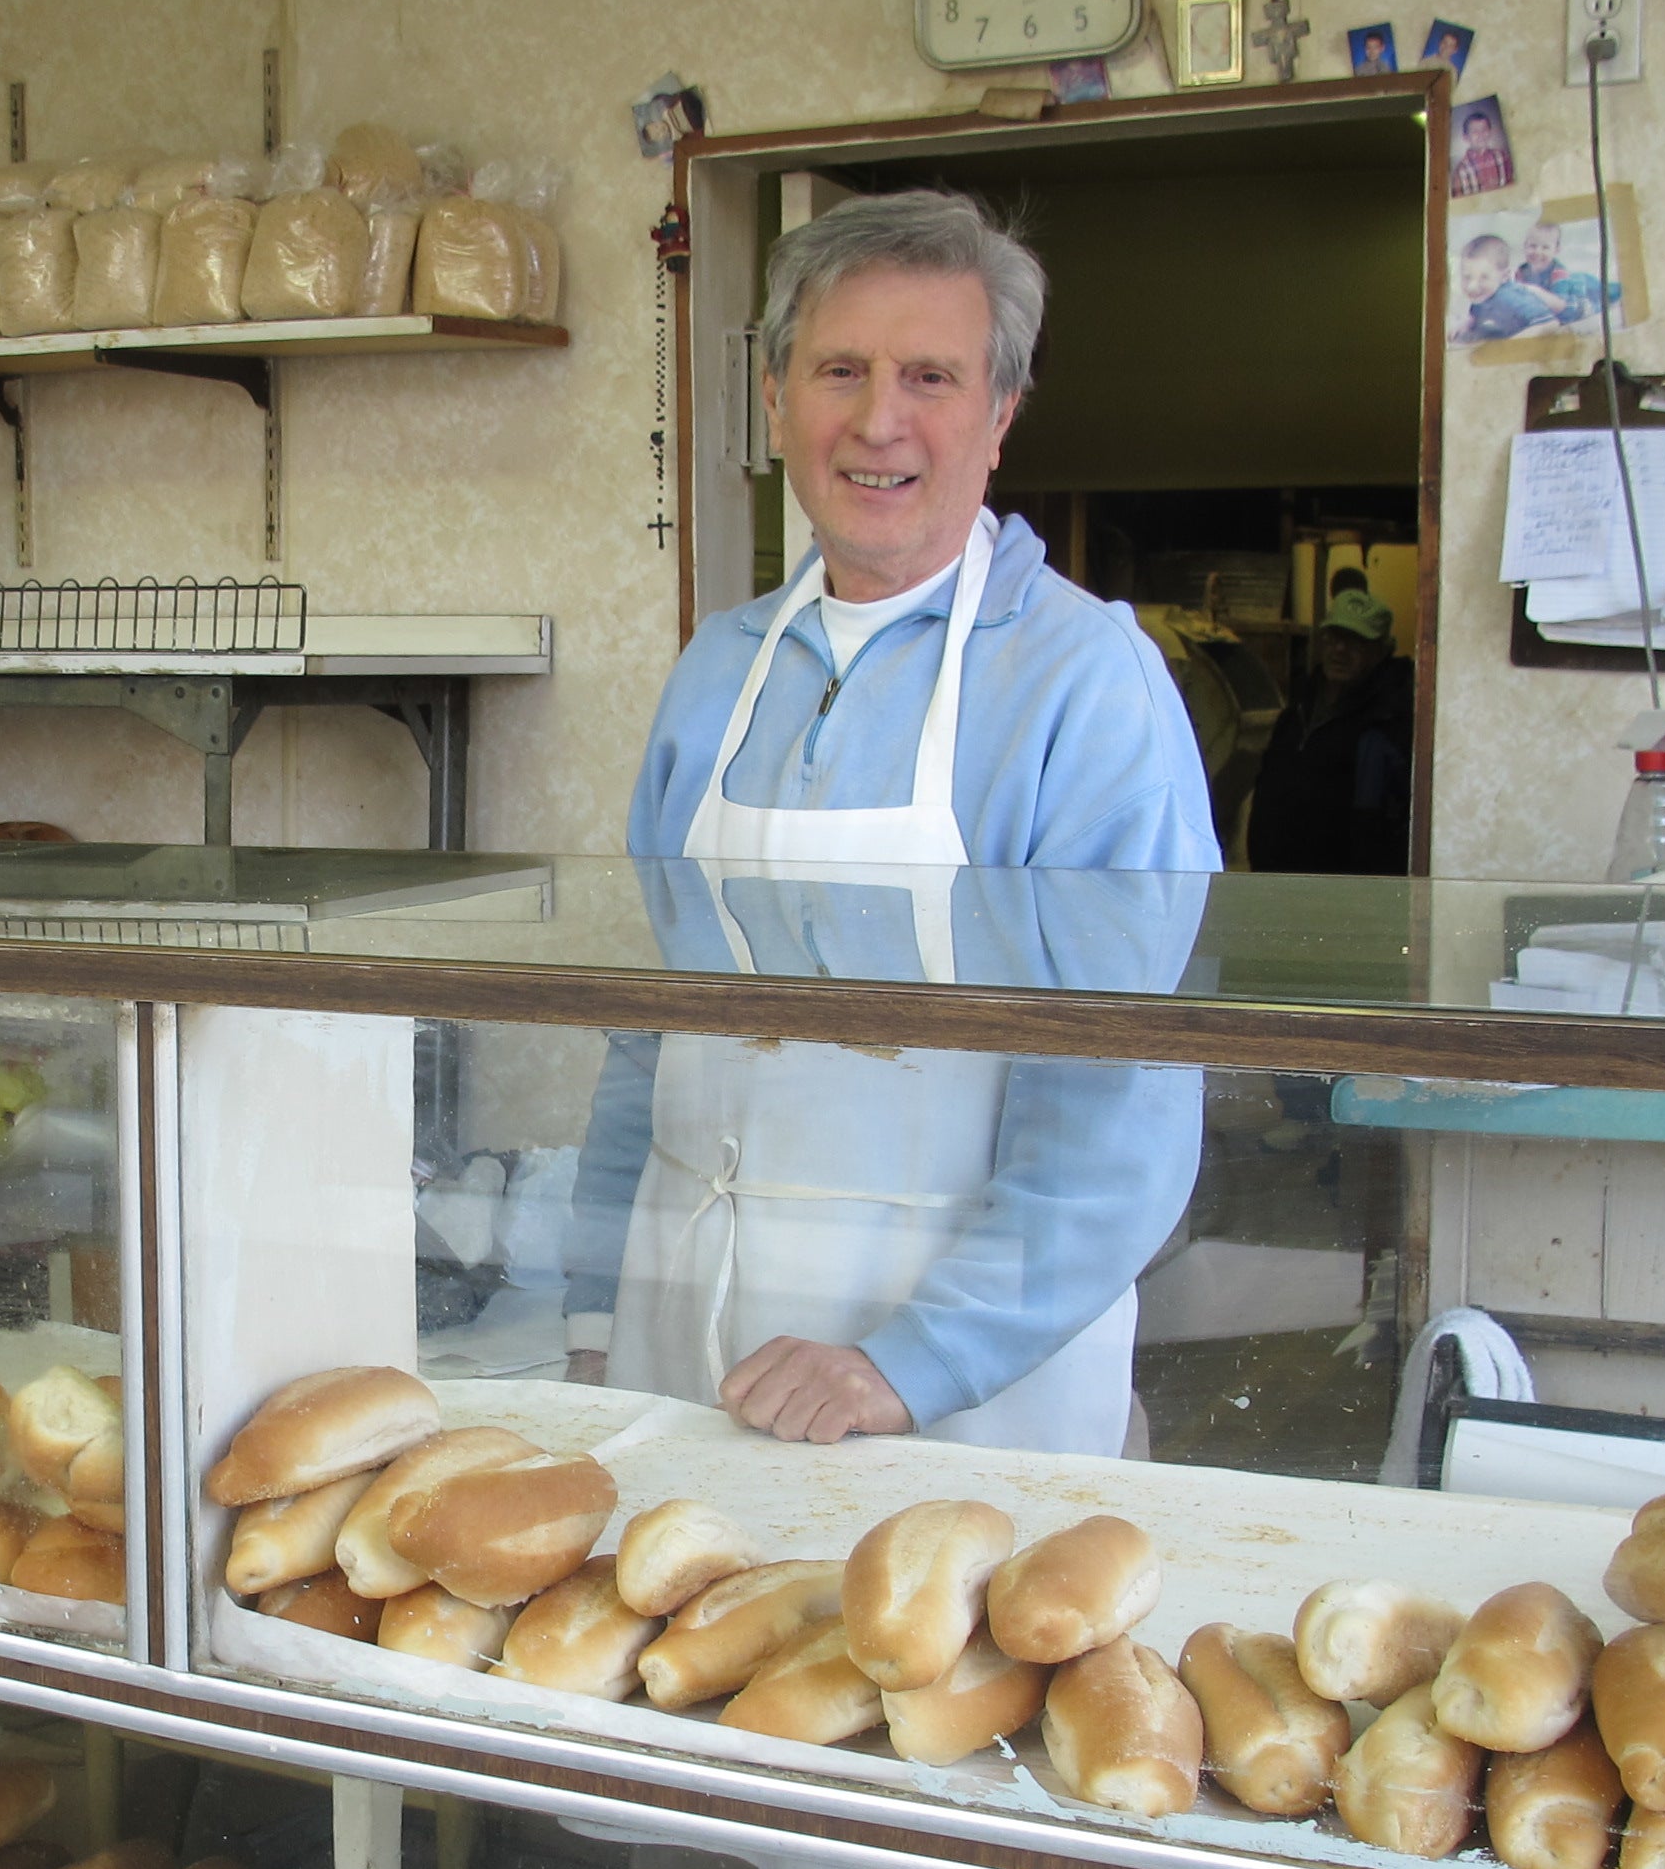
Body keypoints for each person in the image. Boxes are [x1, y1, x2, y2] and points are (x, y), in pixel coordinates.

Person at [567, 189, 1217, 1462]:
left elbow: (1119, 1104)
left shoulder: (1088, 687)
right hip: (679, 1344)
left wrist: (902, 1367)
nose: (880, 421)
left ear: (1000, 415)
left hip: (964, 1394)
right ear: (774, 399)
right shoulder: (718, 668)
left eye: (931, 375)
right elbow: (649, 1028)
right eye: (840, 370)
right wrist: (596, 1299)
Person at [1245, 584, 1414, 874]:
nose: (1339, 649)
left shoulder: (1385, 724)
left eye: (1355, 641)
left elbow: (1375, 831)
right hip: (1277, 886)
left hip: (1339, 896)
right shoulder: (1298, 708)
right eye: (1334, 637)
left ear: (1382, 650)